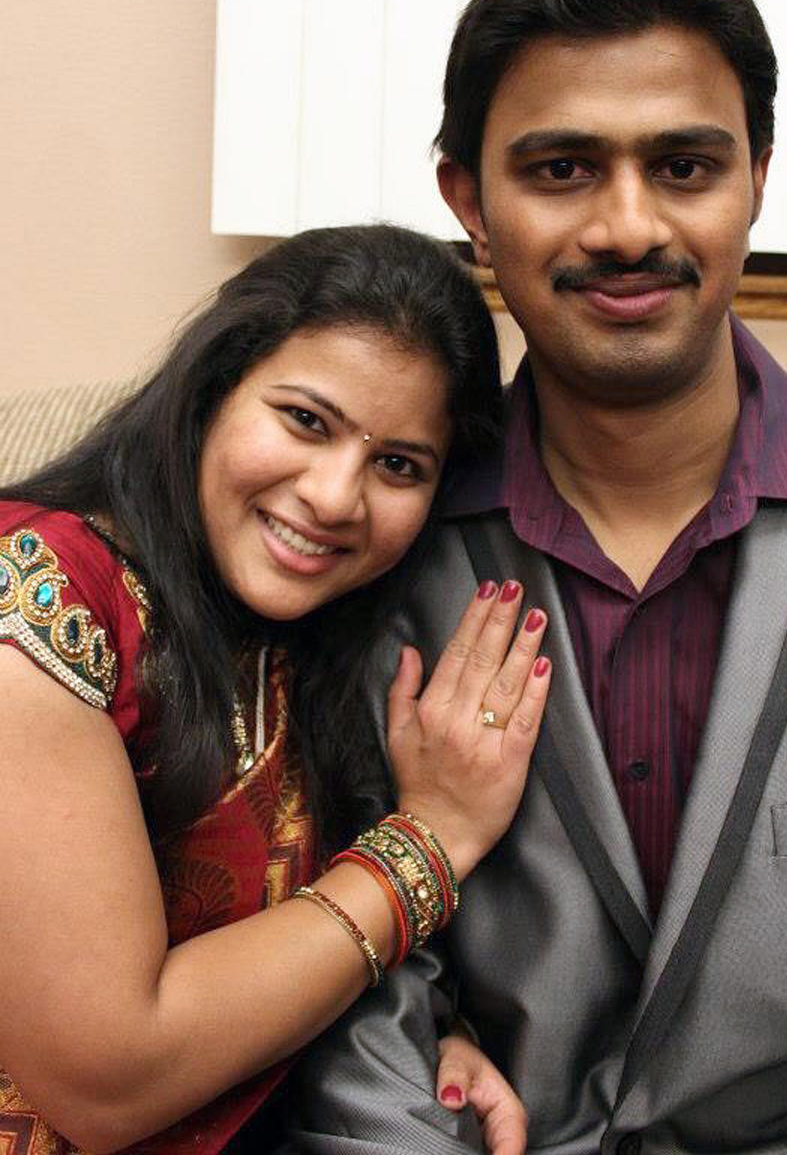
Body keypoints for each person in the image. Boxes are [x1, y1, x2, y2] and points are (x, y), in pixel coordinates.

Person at [286, 0, 787, 1153]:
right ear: (467, 200)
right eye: (561, 170)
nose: (628, 227)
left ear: (759, 175)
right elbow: (345, 986)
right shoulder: (364, 531)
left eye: (686, 167)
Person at [0, 224, 552, 1154]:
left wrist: (415, 1041)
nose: (337, 496)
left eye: (398, 465)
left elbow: (277, 956)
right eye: (306, 420)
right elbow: (106, 1080)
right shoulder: (38, 602)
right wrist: (434, 839)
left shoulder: (301, 634)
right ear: (213, 391)